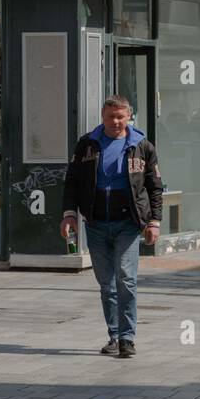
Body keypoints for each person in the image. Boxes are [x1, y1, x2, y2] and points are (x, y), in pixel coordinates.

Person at [62, 95, 163, 358]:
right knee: (106, 283)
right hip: (95, 224)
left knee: (126, 279)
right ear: (103, 117)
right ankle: (114, 335)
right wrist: (69, 215)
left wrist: (154, 221)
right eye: (111, 117)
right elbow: (71, 181)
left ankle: (127, 339)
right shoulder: (87, 144)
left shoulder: (141, 146)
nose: (115, 122)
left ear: (129, 116)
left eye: (120, 117)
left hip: (128, 223)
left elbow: (154, 186)